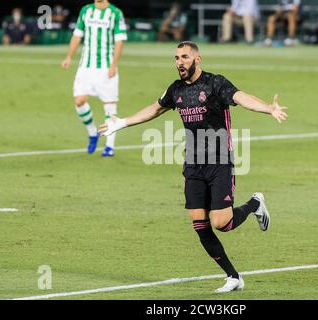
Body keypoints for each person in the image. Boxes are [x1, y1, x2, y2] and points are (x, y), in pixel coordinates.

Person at [98, 41, 288, 292]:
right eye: (176, 57)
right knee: (199, 223)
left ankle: (255, 203)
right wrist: (123, 122)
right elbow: (155, 109)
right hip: (193, 163)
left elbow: (240, 98)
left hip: (220, 160)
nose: (179, 62)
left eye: (185, 57)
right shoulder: (175, 89)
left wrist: (267, 108)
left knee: (222, 223)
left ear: (197, 59)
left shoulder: (215, 83)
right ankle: (233, 277)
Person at [61, 0, 127, 157]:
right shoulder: (86, 10)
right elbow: (77, 35)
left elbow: (119, 42)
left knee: (109, 107)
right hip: (86, 67)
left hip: (106, 67)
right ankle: (92, 133)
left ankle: (109, 147)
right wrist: (69, 57)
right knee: (79, 101)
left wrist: (113, 65)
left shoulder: (116, 13)